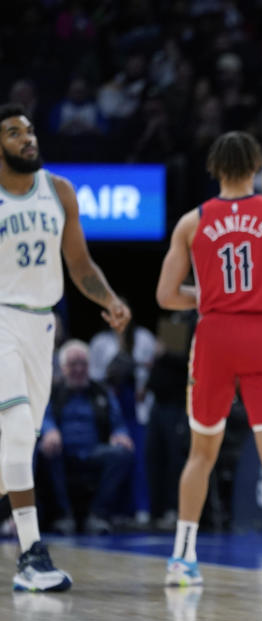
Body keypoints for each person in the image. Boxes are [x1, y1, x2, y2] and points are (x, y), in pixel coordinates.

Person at [156, 131, 262, 589]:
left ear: (215, 168)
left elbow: (165, 295)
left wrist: (205, 297)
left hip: (212, 335)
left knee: (201, 452)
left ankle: (182, 558)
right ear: (255, 166)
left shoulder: (192, 221)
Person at [0, 102, 131, 591]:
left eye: (29, 131)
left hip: (42, 330)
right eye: (14, 133)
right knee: (15, 437)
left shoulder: (59, 191)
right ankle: (31, 557)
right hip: (1, 321)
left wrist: (111, 299)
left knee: (12, 458)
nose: (27, 139)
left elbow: (80, 265)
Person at [37, 339, 135, 535]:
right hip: (62, 451)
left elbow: (118, 423)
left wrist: (120, 435)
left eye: (83, 364)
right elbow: (43, 417)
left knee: (122, 454)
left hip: (92, 452)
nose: (79, 369)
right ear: (63, 368)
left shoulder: (101, 392)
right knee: (46, 451)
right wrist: (49, 431)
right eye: (73, 364)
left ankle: (98, 515)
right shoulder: (52, 392)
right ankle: (63, 516)